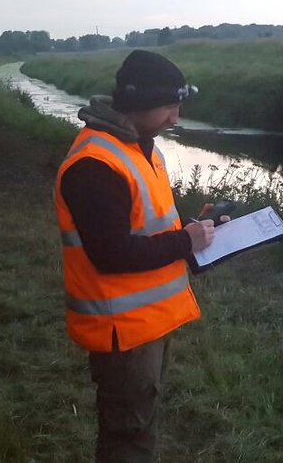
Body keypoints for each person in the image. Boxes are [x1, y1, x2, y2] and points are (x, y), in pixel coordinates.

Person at [53, 49, 222, 462]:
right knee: (127, 436)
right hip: (123, 332)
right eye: (169, 107)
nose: (175, 118)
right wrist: (186, 242)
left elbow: (148, 225)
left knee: (139, 422)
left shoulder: (139, 146)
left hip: (148, 323)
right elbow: (111, 254)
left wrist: (191, 231)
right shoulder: (95, 165)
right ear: (137, 105)